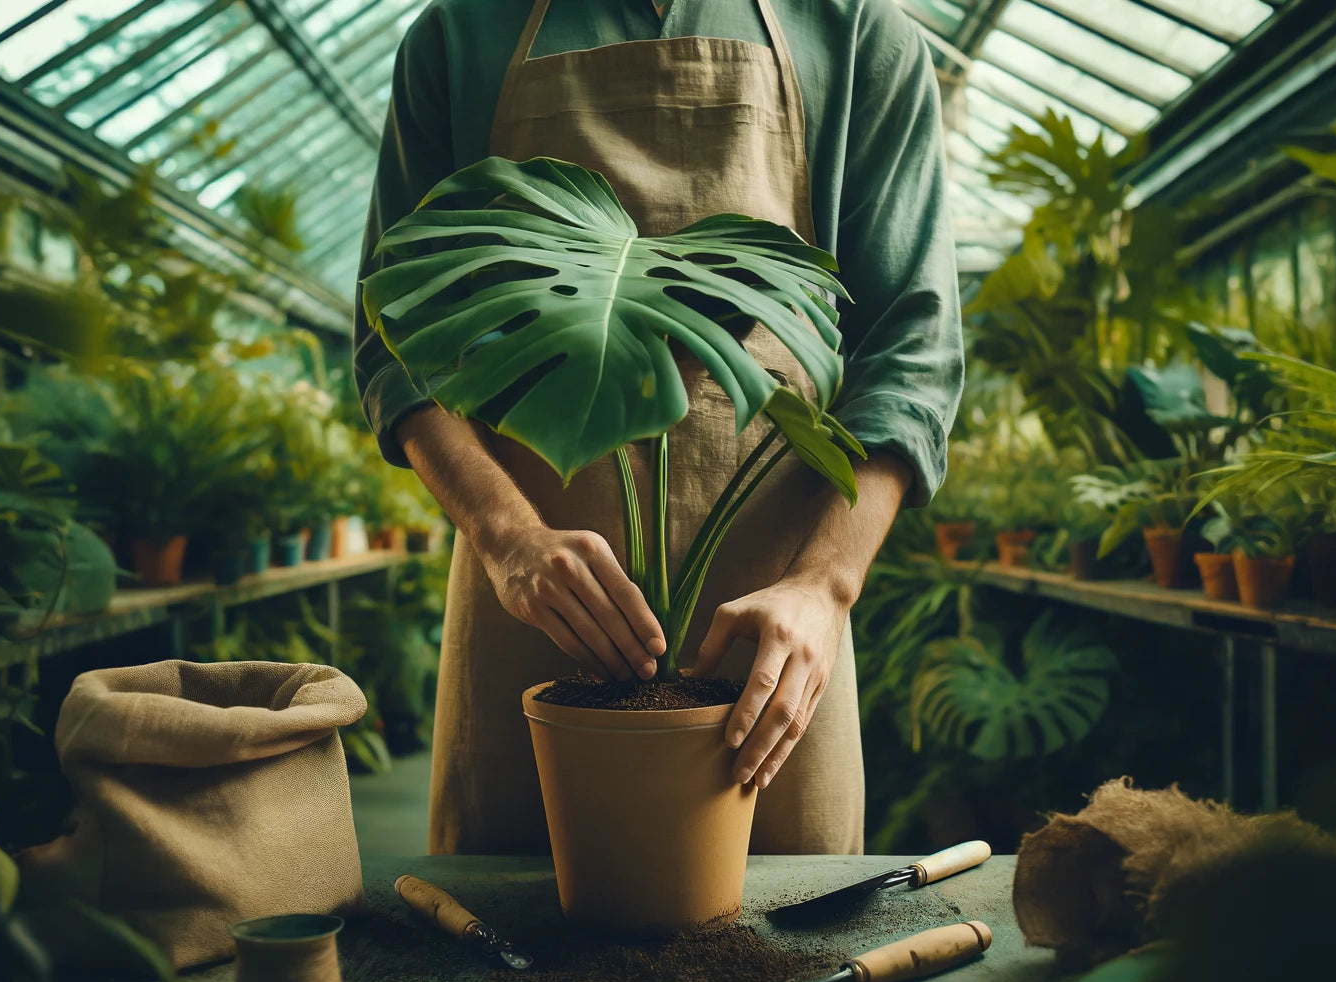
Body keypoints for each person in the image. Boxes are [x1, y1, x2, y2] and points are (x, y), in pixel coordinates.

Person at [354, 0, 963, 856]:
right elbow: (394, 347)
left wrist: (826, 585)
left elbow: (913, 347)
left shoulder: (856, 30)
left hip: (776, 631)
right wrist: (508, 538)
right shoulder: (459, 35)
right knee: (508, 950)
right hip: (531, 612)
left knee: (783, 947)